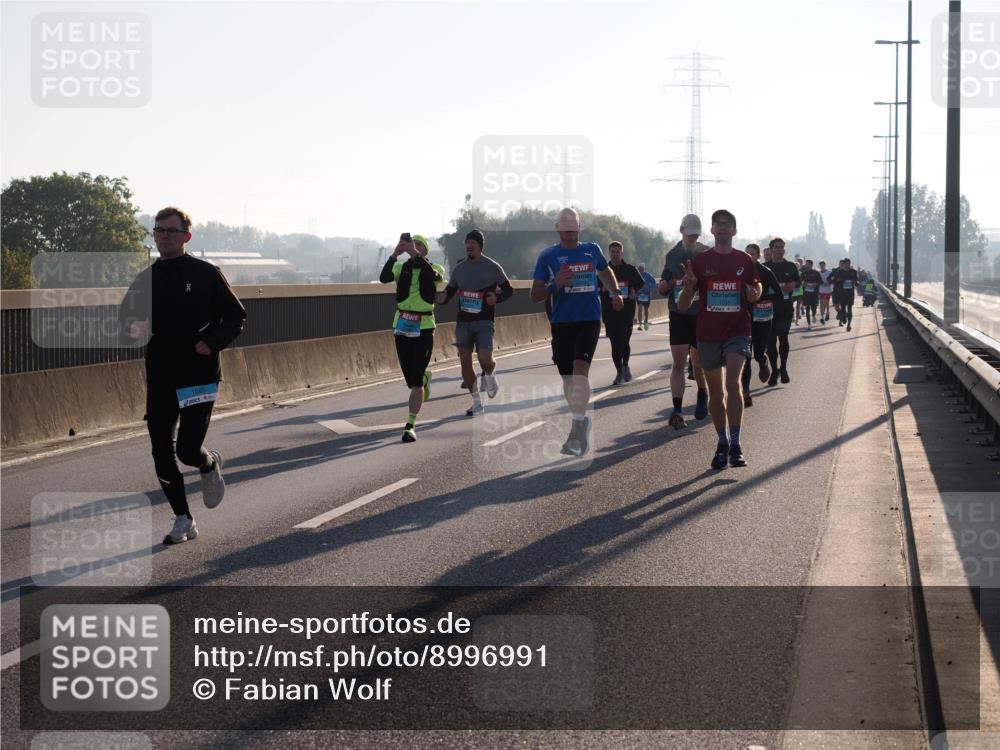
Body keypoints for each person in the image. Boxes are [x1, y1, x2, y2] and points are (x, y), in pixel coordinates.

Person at [119, 207, 246, 545]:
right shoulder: (146, 279)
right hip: (161, 374)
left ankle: (207, 463)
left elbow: (235, 317)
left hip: (199, 374)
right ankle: (183, 519)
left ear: (186, 236)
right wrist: (133, 328)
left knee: (187, 451)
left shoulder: (206, 274)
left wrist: (212, 342)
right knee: (161, 449)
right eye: (158, 230)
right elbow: (124, 321)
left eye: (171, 231)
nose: (163, 236)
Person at [531, 207, 623, 457]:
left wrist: (615, 293)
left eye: (574, 229)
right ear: (557, 228)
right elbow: (534, 294)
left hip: (589, 320)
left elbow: (605, 271)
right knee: (568, 379)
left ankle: (576, 427)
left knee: (580, 371)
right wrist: (555, 285)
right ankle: (580, 421)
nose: (570, 233)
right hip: (562, 322)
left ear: (579, 228)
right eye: (566, 229)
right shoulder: (548, 256)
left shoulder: (591, 250)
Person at [678, 209, 761, 469]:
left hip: (738, 331)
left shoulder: (745, 260)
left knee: (733, 383)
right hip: (709, 334)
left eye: (728, 225)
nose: (723, 228)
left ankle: (736, 444)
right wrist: (690, 286)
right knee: (715, 393)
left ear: (734, 231)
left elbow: (755, 291)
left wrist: (753, 292)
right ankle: (722, 442)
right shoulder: (701, 262)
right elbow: (682, 305)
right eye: (718, 225)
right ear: (712, 230)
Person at [437, 230, 514, 415]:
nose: (469, 246)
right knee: (465, 361)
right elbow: (451, 290)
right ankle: (477, 402)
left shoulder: (492, 266)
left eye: (473, 242)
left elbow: (509, 290)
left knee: (485, 359)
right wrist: (442, 298)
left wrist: (496, 297)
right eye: (467, 243)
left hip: (484, 321)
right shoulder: (460, 268)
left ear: (480, 246)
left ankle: (490, 374)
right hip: (463, 322)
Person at [379, 233, 446, 442]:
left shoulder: (435, 269)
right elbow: (383, 278)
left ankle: (410, 424)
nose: (413, 248)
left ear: (425, 250)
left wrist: (415, 254)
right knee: (410, 378)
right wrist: (395, 254)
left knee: (415, 381)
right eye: (411, 244)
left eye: (419, 245)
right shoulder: (401, 268)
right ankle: (424, 379)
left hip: (424, 327)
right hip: (402, 326)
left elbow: (434, 277)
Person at [657, 213, 709, 429]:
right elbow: (663, 282)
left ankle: (701, 392)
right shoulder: (672, 255)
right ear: (681, 231)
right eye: (690, 235)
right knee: (678, 362)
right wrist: (664, 286)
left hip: (699, 314)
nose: (693, 239)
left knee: (697, 362)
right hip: (678, 313)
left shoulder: (706, 253)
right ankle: (677, 409)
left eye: (696, 235)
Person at [740, 244, 782, 407]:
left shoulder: (765, 272)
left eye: (752, 254)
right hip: (744, 318)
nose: (749, 256)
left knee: (757, 354)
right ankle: (746, 392)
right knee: (746, 357)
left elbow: (778, 293)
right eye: (746, 253)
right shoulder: (739, 272)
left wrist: (763, 298)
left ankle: (763, 361)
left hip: (763, 318)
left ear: (758, 256)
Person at [600, 241, 645, 384]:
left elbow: (642, 285)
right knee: (614, 343)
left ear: (622, 253)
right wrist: (603, 289)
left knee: (624, 341)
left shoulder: (630, 269)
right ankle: (619, 372)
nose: (614, 254)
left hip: (627, 311)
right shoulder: (603, 271)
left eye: (617, 251)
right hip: (610, 311)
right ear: (609, 253)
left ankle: (625, 364)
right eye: (612, 251)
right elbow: (595, 287)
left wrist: (633, 291)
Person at [764, 237, 799, 386]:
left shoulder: (790, 266)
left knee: (783, 337)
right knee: (771, 342)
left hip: (785, 308)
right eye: (777, 247)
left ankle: (783, 368)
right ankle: (774, 371)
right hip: (768, 309)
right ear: (771, 250)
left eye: (782, 247)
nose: (779, 250)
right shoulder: (764, 267)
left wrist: (792, 284)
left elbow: (798, 282)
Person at [837, 258, 860, 331]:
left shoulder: (853, 272)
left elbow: (856, 281)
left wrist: (857, 283)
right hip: (842, 293)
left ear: (850, 264)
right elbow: (837, 281)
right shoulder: (840, 272)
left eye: (848, 263)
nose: (847, 265)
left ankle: (849, 324)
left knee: (849, 308)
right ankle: (844, 317)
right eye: (846, 263)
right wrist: (841, 281)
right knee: (843, 308)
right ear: (844, 264)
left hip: (850, 293)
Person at [800, 259, 822, 330]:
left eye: (807, 264)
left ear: (811, 265)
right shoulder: (804, 273)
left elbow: (820, 281)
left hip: (814, 293)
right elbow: (800, 281)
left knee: (813, 308)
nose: (806, 265)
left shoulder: (816, 273)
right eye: (806, 264)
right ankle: (809, 325)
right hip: (806, 293)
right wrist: (803, 283)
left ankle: (814, 315)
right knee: (807, 308)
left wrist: (816, 284)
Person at [635, 263, 656, 330]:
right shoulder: (636, 275)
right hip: (639, 295)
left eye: (642, 269)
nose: (640, 270)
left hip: (647, 296)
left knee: (646, 310)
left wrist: (649, 285)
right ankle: (640, 324)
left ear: (644, 269)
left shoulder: (648, 275)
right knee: (639, 308)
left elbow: (654, 284)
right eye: (639, 268)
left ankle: (646, 321)